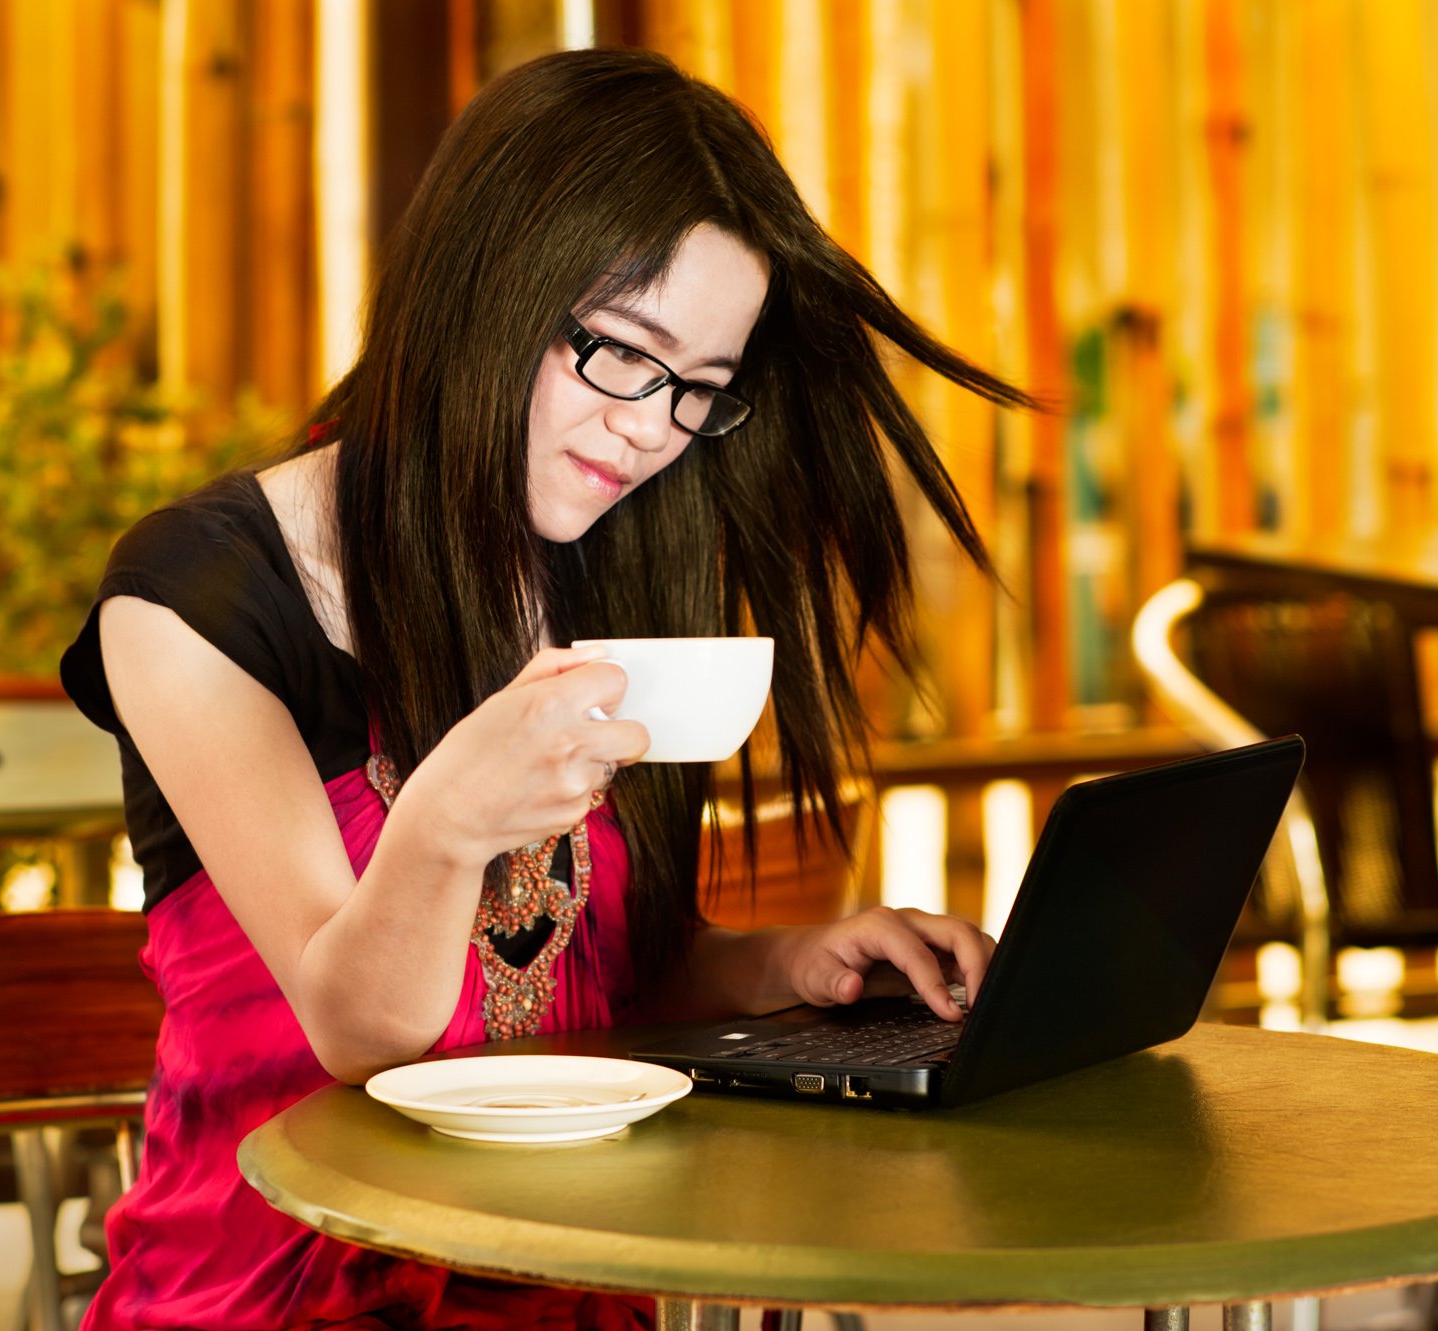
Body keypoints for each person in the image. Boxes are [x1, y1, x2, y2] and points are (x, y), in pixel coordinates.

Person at [60, 46, 1034, 1331]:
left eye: (699, 391)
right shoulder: (198, 597)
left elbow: (594, 971)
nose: (649, 428)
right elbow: (361, 1027)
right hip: (272, 1285)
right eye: (622, 353)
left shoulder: (602, 562)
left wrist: (795, 961)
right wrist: (451, 817)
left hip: (573, 1275)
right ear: (484, 282)